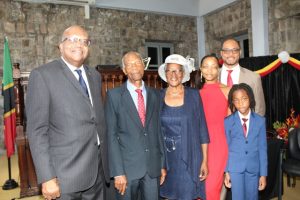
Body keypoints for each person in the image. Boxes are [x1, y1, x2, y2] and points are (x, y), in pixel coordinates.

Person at [26, 25, 109, 200]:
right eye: (73, 39)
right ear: (60, 46)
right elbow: (37, 131)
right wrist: (47, 177)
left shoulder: (94, 75)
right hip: (65, 177)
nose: (79, 45)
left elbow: (96, 120)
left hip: (97, 172)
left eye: (85, 41)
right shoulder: (43, 75)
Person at [105, 51, 166, 200]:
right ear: (124, 70)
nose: (135, 67)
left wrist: (162, 164)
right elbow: (111, 136)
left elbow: (159, 131)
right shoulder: (114, 96)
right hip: (126, 170)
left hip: (152, 168)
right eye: (130, 64)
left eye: (138, 63)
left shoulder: (156, 95)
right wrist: (118, 172)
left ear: (143, 66)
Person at [158, 54, 209, 200]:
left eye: (177, 71)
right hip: (166, 159)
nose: (173, 75)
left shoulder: (194, 95)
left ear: (183, 73)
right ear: (165, 74)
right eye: (169, 71)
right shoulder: (157, 96)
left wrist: (204, 161)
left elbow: (202, 130)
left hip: (190, 154)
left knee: (187, 194)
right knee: (168, 194)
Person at [224, 83, 267, 200]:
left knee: (252, 197)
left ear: (250, 99)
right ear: (232, 102)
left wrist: (263, 174)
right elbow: (226, 148)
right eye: (236, 100)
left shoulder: (260, 121)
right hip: (235, 168)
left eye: (244, 99)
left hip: (253, 168)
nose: (240, 103)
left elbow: (263, 149)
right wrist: (226, 171)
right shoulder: (227, 122)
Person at [195, 55, 230, 200]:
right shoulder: (194, 93)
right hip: (197, 145)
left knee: (210, 190)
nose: (210, 70)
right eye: (206, 66)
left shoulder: (228, 91)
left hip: (218, 145)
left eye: (214, 66)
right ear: (201, 69)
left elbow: (232, 125)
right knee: (199, 189)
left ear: (219, 69)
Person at [220, 38, 266, 116]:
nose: (231, 54)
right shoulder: (211, 77)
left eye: (235, 50)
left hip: (245, 127)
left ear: (240, 52)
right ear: (221, 53)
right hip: (217, 126)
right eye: (227, 50)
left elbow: (259, 109)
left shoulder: (254, 77)